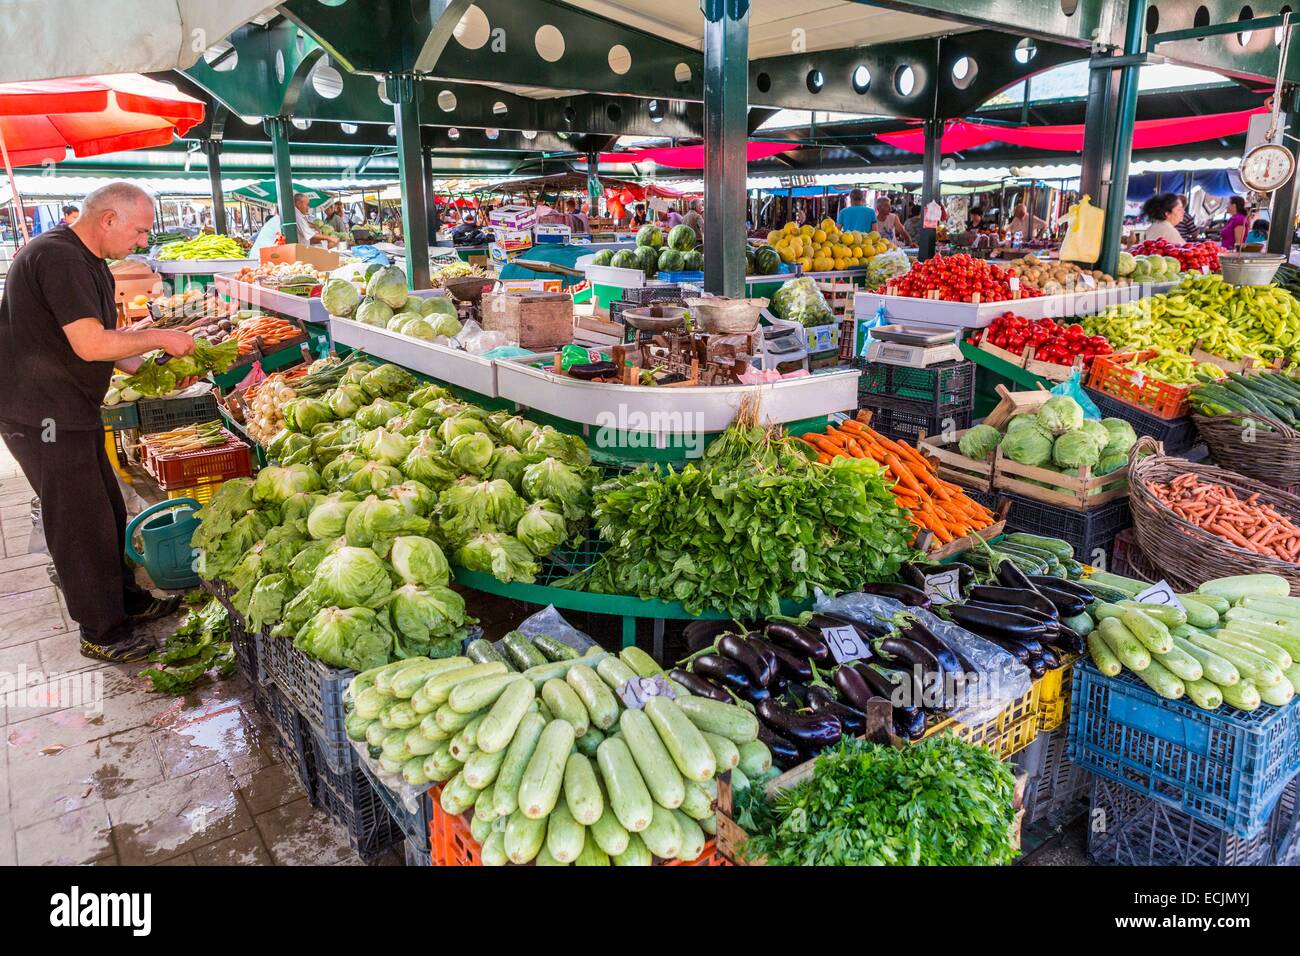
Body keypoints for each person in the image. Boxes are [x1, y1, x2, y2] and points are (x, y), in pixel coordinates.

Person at [0, 183, 197, 662]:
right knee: (78, 522)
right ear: (108, 219)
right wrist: (158, 336)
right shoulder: (60, 258)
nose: (141, 242)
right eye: (139, 230)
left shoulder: (88, 261)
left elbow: (103, 342)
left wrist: (149, 359)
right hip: (41, 413)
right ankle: (101, 633)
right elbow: (90, 345)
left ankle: (127, 602)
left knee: (106, 508)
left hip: (69, 405)